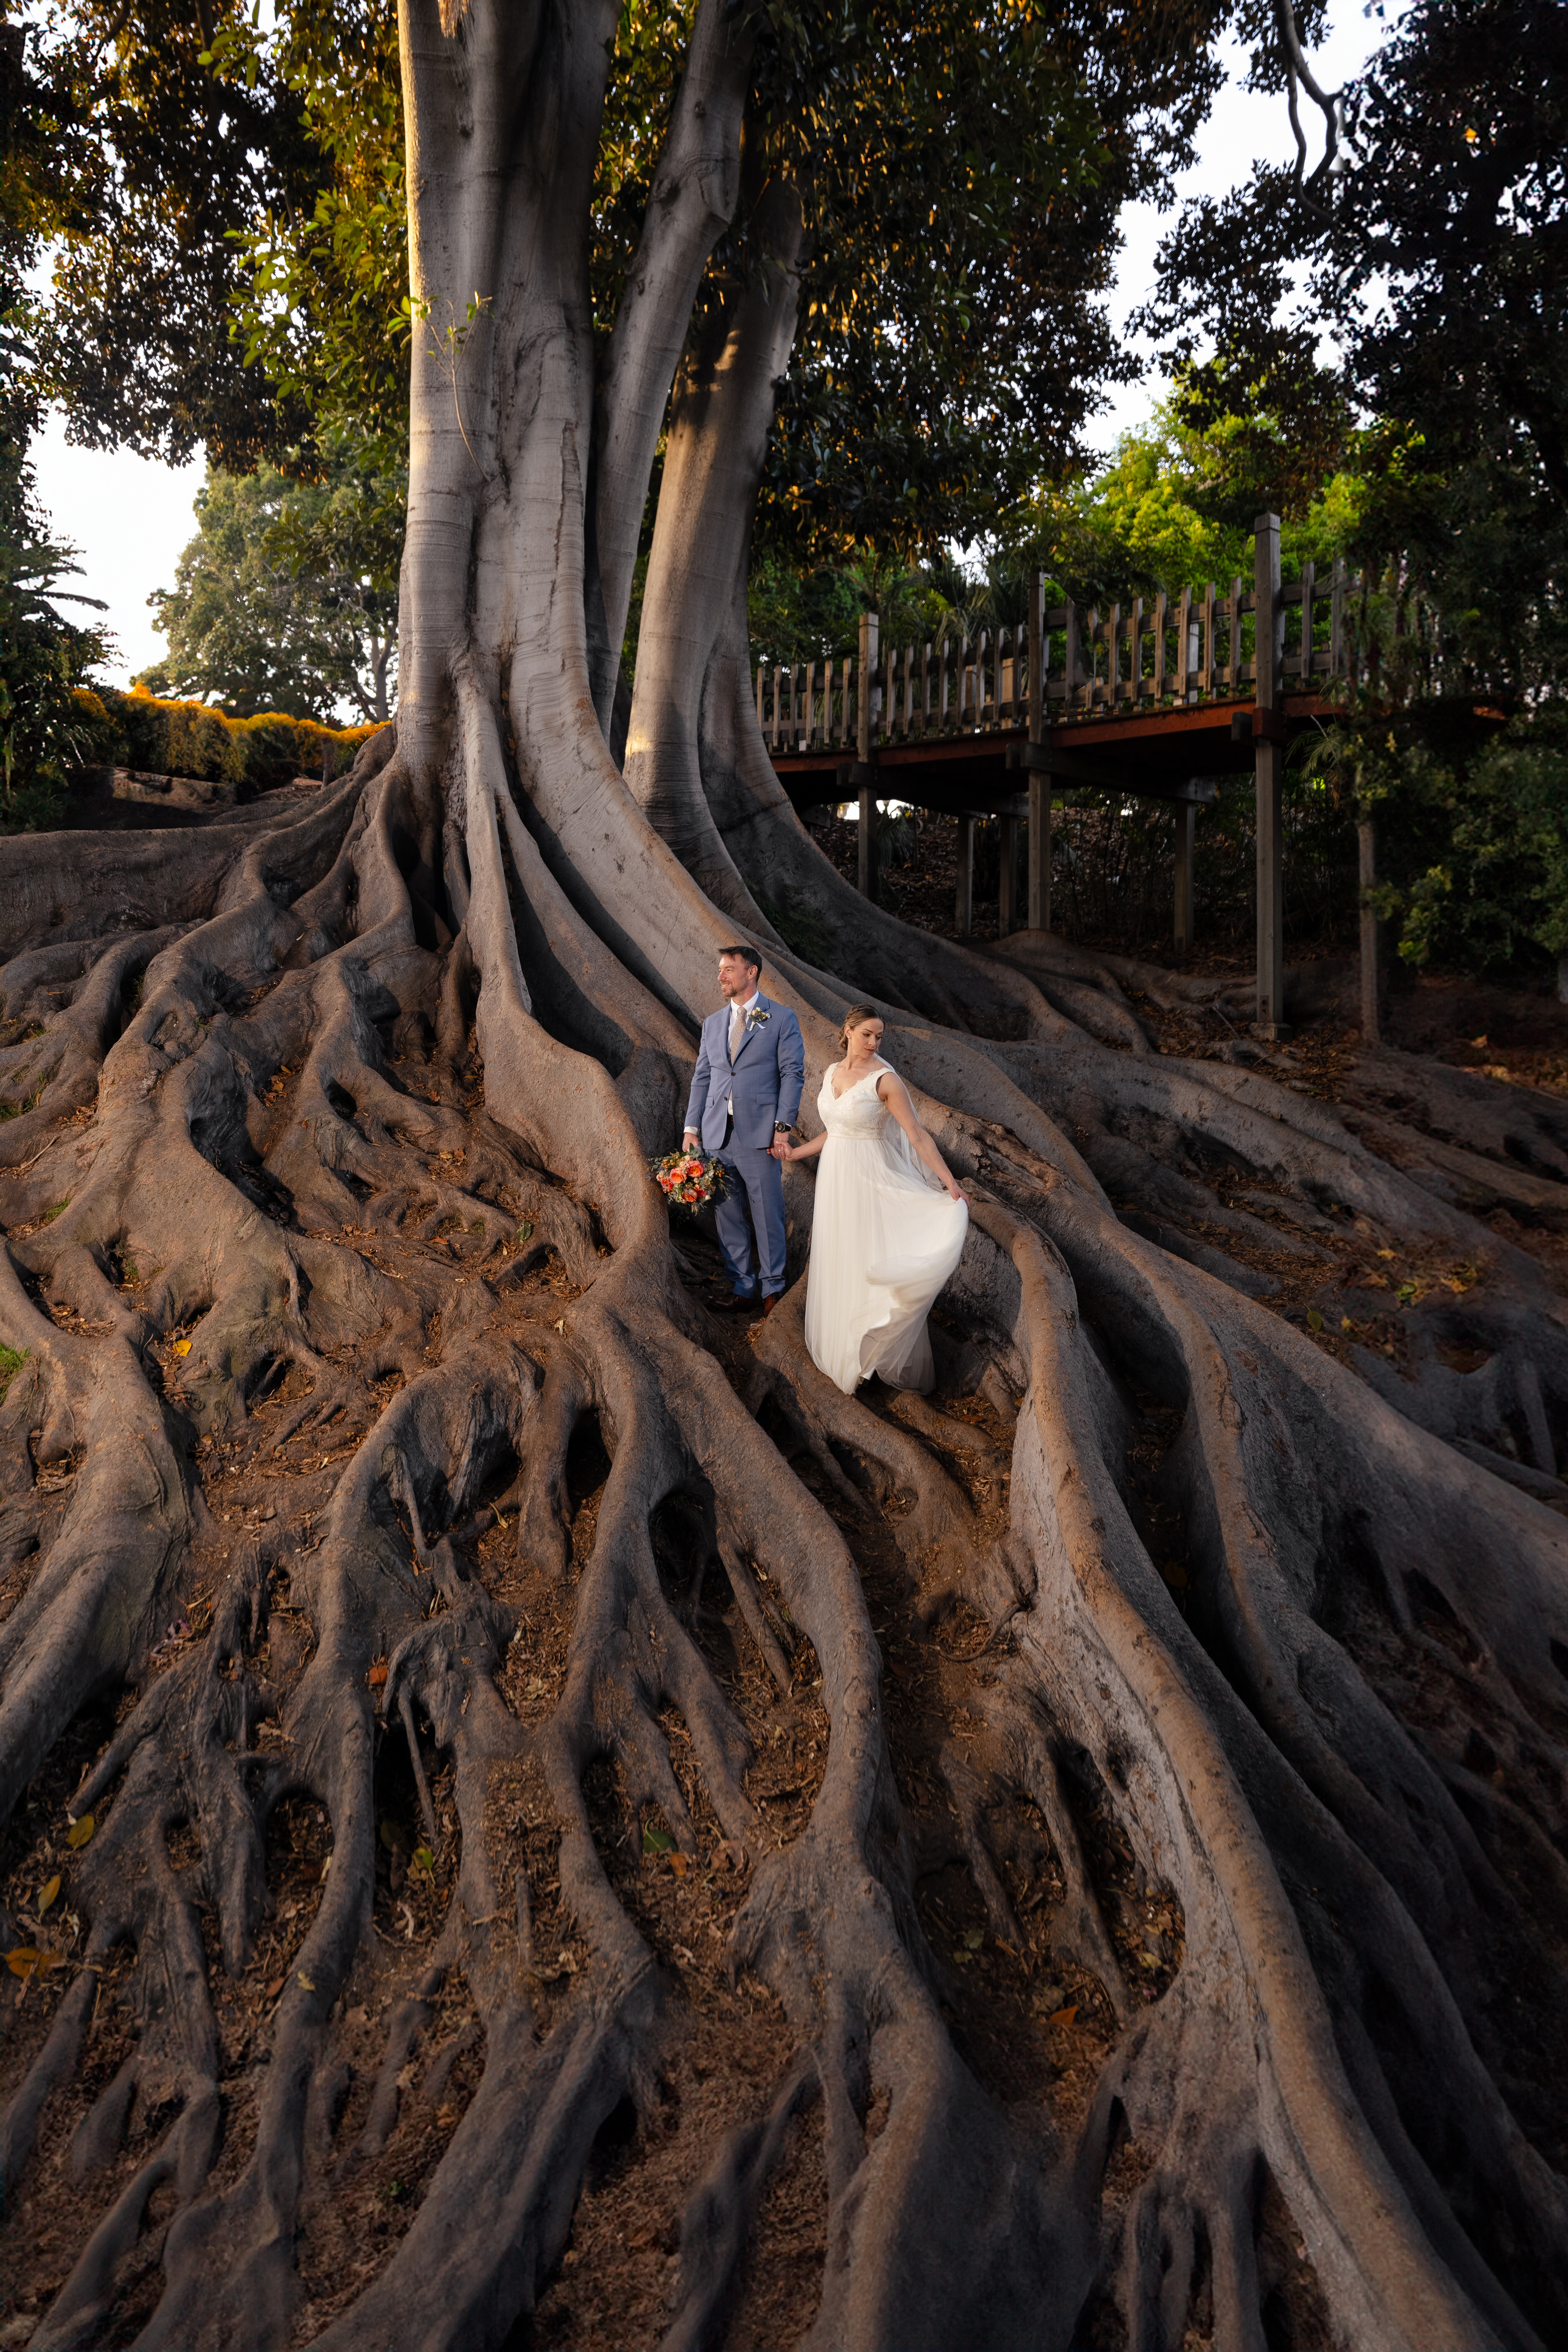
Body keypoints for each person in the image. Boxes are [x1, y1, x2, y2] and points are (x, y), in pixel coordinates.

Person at [781, 1004, 968, 1393]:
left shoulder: (885, 1081)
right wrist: (797, 1153)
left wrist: (949, 1181)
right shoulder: (832, 1073)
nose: (873, 1042)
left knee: (870, 1253)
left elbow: (916, 1135)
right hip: (836, 1179)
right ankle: (847, 1348)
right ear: (848, 1031)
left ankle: (873, 1348)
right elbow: (835, 1129)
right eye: (867, 1034)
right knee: (841, 1254)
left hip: (871, 1176)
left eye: (879, 1036)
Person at [683, 945, 805, 1316]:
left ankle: (773, 1290)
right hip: (718, 1134)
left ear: (751, 972)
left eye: (728, 970)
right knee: (728, 1216)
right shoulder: (713, 1024)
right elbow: (703, 1077)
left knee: (768, 1214)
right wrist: (692, 1128)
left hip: (761, 1136)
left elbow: (792, 1075)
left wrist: (782, 1129)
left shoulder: (781, 1019)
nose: (721, 976)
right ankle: (743, 1288)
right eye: (720, 970)